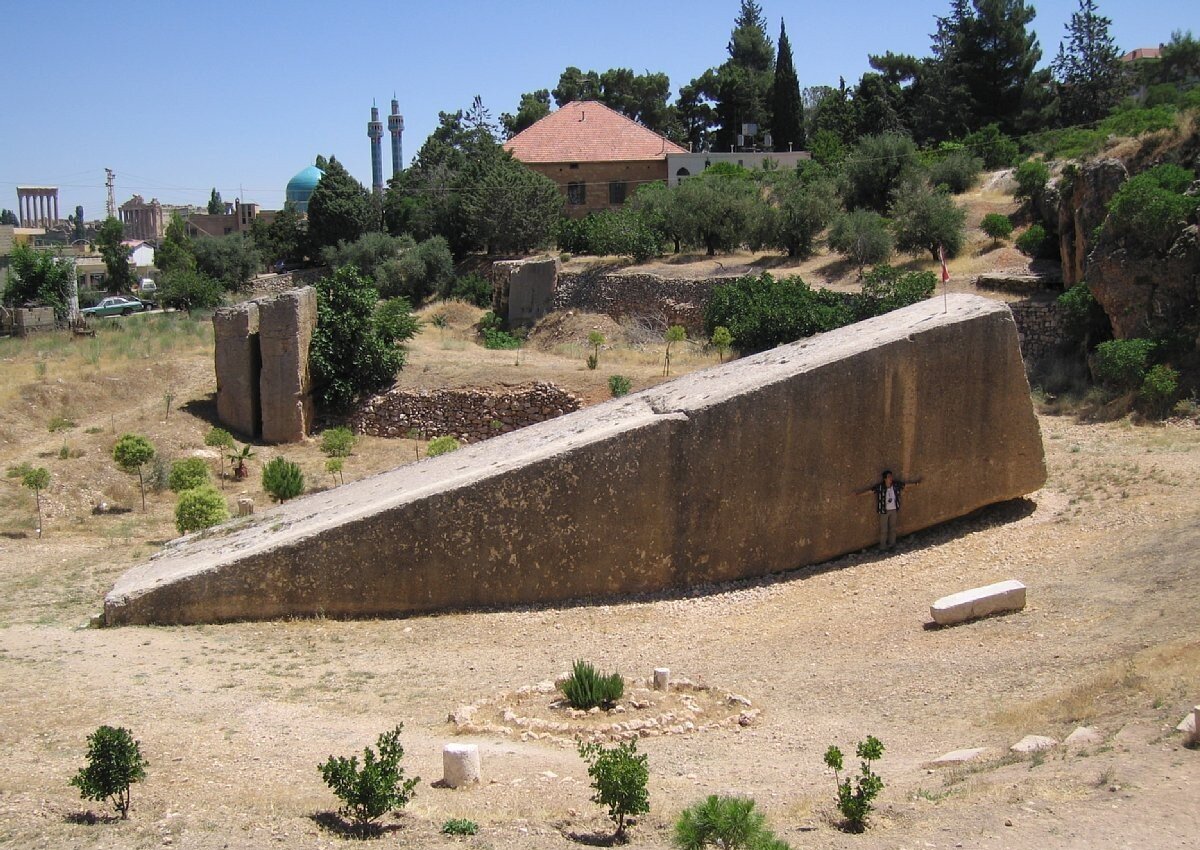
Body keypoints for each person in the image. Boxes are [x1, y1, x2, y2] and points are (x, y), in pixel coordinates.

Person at [856, 470, 922, 551]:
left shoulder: (895, 485)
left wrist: (916, 483)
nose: (891, 478)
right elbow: (871, 491)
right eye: (889, 477)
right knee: (884, 530)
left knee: (893, 528)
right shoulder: (880, 487)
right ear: (885, 479)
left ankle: (892, 545)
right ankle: (883, 547)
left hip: (893, 510)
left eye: (891, 476)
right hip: (884, 511)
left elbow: (905, 485)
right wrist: (859, 494)